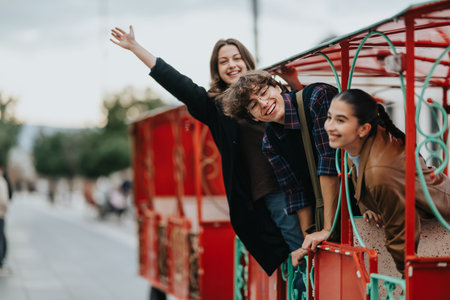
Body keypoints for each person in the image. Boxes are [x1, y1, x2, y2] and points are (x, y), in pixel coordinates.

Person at [110, 26, 305, 280]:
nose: (232, 65)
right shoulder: (217, 107)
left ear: (248, 62)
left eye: (237, 58)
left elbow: (302, 117)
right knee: (298, 255)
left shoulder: (270, 91)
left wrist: (293, 82)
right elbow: (177, 82)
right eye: (224, 61)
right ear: (217, 70)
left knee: (315, 249)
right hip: (272, 191)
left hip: (302, 182)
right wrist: (136, 48)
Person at [323, 88, 450, 273]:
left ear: (364, 129)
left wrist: (406, 280)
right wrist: (368, 208)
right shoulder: (356, 146)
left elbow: (401, 235)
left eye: (340, 120)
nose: (329, 126)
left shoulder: (381, 170)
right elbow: (362, 183)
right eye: (329, 117)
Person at [220, 70, 340, 264]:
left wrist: (327, 229)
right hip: (330, 209)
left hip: (364, 196)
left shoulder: (317, 97)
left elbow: (329, 162)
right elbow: (296, 194)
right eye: (253, 105)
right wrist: (307, 243)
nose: (264, 103)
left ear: (277, 87)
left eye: (263, 92)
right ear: (253, 117)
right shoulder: (270, 142)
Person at [0, 167, 9, 275]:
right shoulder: (1, 182)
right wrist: (4, 209)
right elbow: (3, 200)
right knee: (1, 238)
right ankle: (0, 262)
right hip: (0, 214)